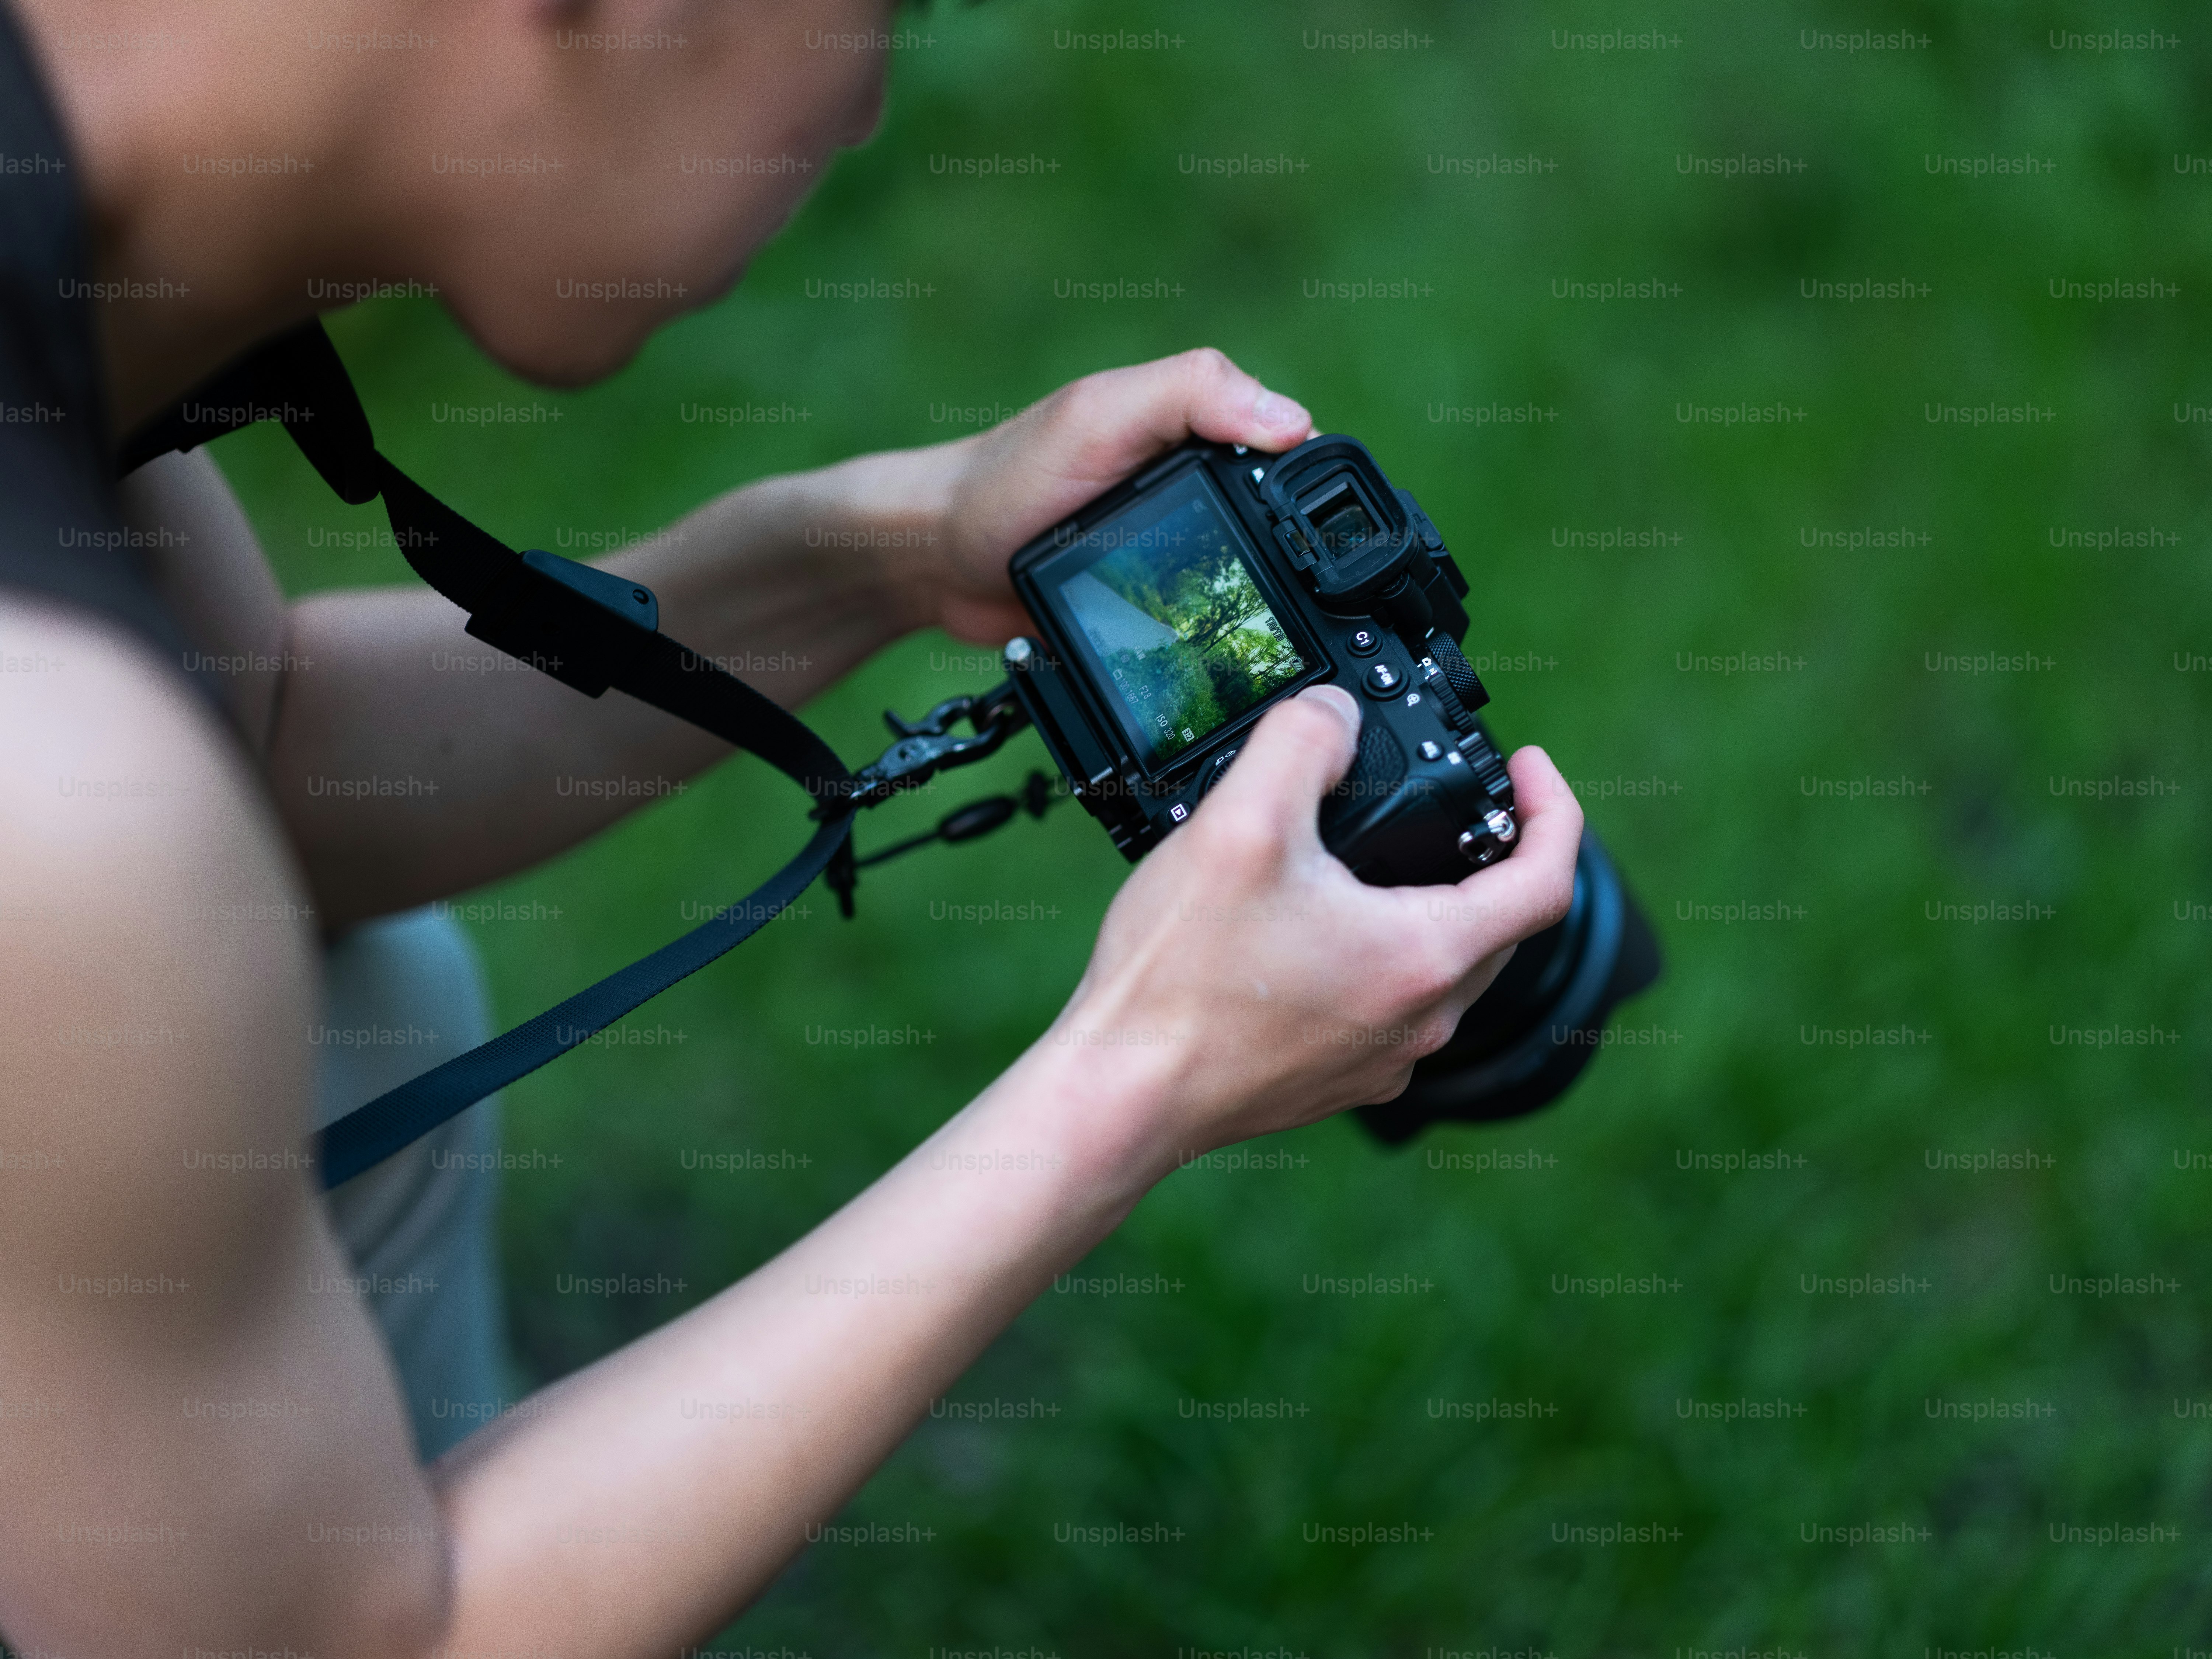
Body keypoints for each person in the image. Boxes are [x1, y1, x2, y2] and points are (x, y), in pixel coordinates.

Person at [0, 0, 1584, 1652]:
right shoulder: (45, 796)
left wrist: (894, 548)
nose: (867, 107)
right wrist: (1137, 1079)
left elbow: (273, 748)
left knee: (356, 1005)